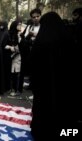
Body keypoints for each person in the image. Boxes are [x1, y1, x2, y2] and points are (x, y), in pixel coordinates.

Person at [29, 12, 77, 140]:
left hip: (43, 87)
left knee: (44, 111)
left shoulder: (41, 41)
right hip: (64, 85)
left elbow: (32, 65)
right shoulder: (68, 38)